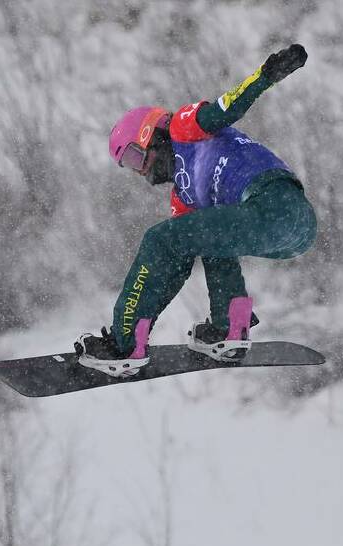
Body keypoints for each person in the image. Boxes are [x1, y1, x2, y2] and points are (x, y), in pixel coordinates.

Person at [74, 44, 315, 377]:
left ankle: (124, 344)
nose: (140, 170)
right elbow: (172, 265)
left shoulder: (182, 128)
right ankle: (230, 329)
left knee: (160, 239)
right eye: (129, 166)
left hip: (275, 200)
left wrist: (266, 76)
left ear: (149, 134)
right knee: (205, 239)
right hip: (294, 229)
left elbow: (226, 108)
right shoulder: (185, 198)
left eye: (134, 156)